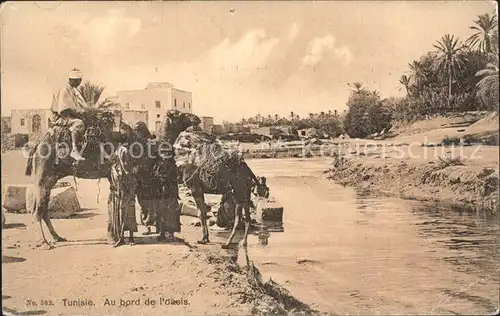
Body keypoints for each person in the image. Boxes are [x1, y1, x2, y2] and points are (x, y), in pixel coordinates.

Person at [50, 68, 88, 161]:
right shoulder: (65, 90)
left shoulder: (71, 90)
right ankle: (74, 150)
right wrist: (79, 114)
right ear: (73, 80)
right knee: (78, 123)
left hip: (67, 116)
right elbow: (64, 110)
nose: (79, 83)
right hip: (60, 118)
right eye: (78, 81)